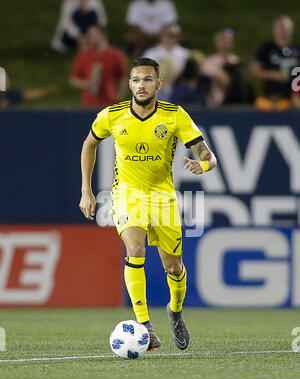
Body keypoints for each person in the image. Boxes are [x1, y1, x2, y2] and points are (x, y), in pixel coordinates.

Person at [79, 57, 217, 351]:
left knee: (174, 267)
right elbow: (89, 144)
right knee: (135, 248)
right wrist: (86, 190)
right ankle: (144, 324)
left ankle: (175, 312)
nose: (141, 85)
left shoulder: (175, 115)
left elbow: (209, 157)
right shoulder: (112, 115)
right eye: (136, 80)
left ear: (159, 84)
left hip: (163, 197)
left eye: (147, 80)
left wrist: (201, 167)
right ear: (129, 84)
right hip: (127, 193)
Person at [70, 25, 128, 107]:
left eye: (93, 35)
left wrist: (119, 96)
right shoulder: (84, 55)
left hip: (110, 101)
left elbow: (123, 77)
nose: (90, 38)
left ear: (103, 35)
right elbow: (74, 79)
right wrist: (87, 84)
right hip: (89, 103)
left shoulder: (116, 55)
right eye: (89, 35)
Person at [251, 16, 300, 111]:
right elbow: (255, 71)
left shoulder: (297, 50)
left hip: (294, 99)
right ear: (274, 30)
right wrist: (276, 75)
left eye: (285, 28)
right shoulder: (265, 48)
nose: (283, 31)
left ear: (291, 30)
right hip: (270, 100)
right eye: (280, 28)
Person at [202, 28, 254, 107]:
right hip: (216, 105)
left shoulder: (237, 61)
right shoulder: (208, 63)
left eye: (227, 40)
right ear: (216, 43)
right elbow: (223, 80)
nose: (225, 43)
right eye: (222, 40)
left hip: (238, 104)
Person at [143, 24, 190, 101]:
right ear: (162, 35)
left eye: (175, 35)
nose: (172, 38)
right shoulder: (151, 53)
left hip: (179, 90)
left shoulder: (185, 54)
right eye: (170, 35)